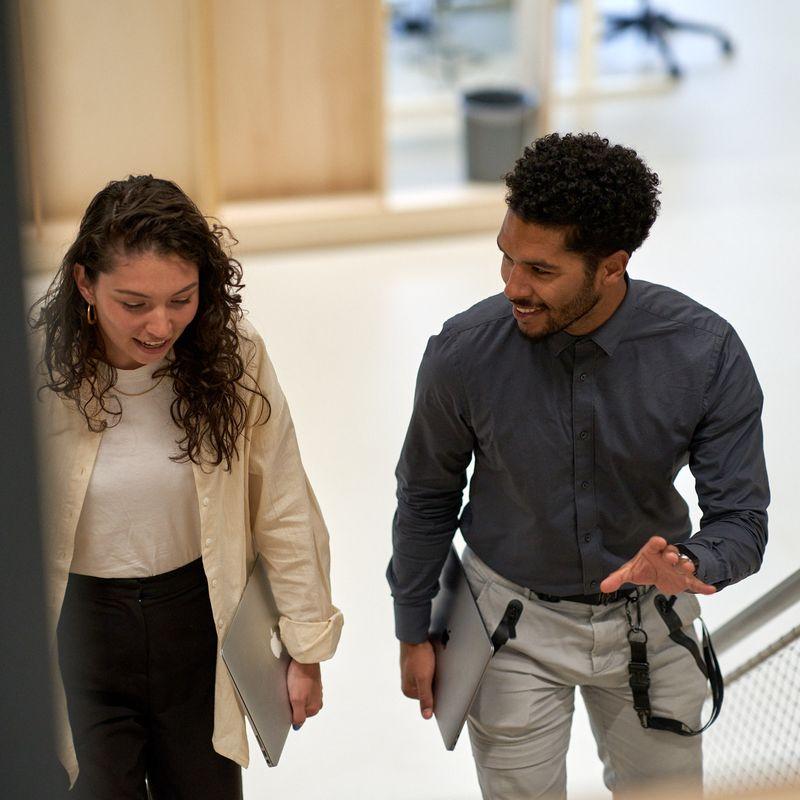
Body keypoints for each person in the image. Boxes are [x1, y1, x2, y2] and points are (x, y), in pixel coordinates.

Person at [387, 133, 769, 799]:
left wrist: (692, 564)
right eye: (506, 259)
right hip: (509, 629)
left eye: (540, 270)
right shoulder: (462, 354)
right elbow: (426, 495)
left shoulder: (704, 354)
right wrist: (413, 627)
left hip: (653, 623)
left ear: (612, 265)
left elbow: (741, 521)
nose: (512, 286)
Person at [31, 175, 343, 799]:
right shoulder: (36, 363)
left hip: (198, 622)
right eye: (134, 303)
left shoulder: (234, 356)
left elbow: (280, 498)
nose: (160, 324)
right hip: (79, 630)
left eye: (182, 298)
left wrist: (305, 646)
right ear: (85, 283)